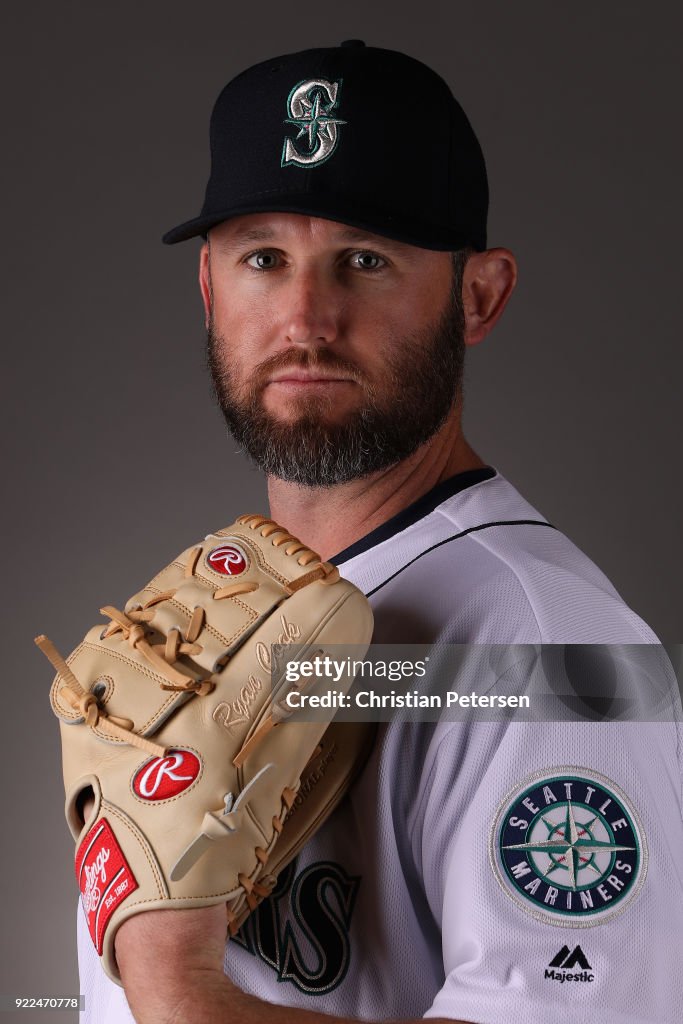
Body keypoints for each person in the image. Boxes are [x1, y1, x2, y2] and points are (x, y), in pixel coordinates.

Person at [79, 41, 682, 1024]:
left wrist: (174, 989)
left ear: (477, 294)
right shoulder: (212, 616)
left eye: (364, 259)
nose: (304, 318)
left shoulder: (555, 651)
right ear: (207, 289)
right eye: (262, 258)